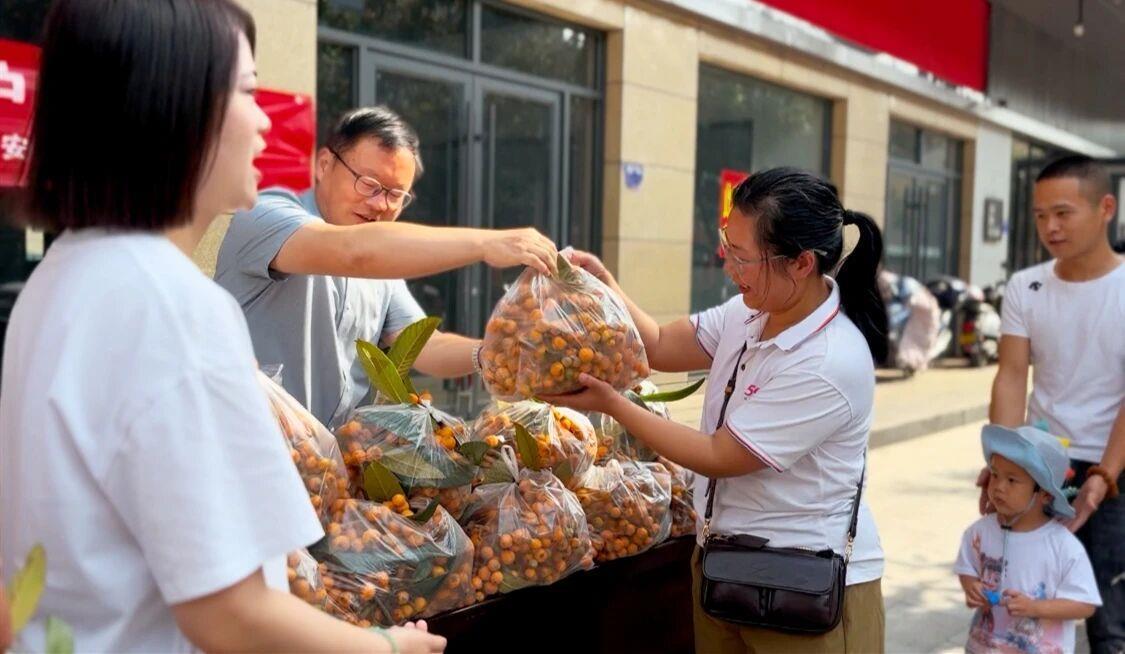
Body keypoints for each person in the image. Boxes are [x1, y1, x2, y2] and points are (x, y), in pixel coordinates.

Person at [0, 1, 444, 652]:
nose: (265, 120)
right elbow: (230, 613)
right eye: (247, 90)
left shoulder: (63, 277)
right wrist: (389, 647)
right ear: (171, 108)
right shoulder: (171, 305)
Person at [545, 167, 887, 653]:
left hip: (804, 588)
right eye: (729, 246)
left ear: (801, 263)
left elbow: (717, 454)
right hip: (727, 567)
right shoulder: (750, 311)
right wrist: (604, 286)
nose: (730, 268)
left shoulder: (829, 361)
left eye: (743, 257)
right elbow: (659, 345)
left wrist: (612, 404)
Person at [215, 105, 557, 428]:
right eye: (369, 184)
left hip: (331, 460)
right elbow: (354, 252)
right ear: (324, 164)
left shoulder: (382, 267)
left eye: (395, 195)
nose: (380, 204)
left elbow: (425, 345)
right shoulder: (267, 218)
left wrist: (494, 352)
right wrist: (486, 244)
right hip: (253, 445)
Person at [985, 155, 1125, 653]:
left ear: (1105, 208)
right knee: (1023, 604)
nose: (1050, 227)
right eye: (1040, 215)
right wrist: (1001, 463)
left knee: (1108, 616)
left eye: (1063, 213)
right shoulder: (1026, 285)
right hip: (1042, 465)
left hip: (1115, 469)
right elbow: (1011, 375)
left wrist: (1105, 476)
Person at [957, 425, 1101, 654]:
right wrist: (971, 586)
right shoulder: (979, 533)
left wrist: (1035, 607)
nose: (999, 487)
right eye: (995, 475)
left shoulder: (1064, 546)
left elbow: (1085, 605)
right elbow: (967, 568)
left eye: (1012, 480)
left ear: (1044, 494)